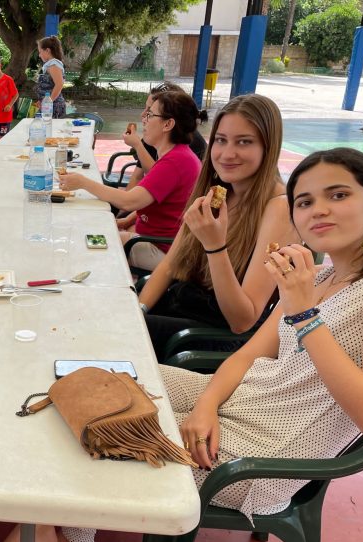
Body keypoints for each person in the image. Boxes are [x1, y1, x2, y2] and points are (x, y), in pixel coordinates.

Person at [0, 148, 363, 542]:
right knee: (90, 382)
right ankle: (68, 537)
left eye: (338, 195)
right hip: (239, 402)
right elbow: (248, 355)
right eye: (305, 201)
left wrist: (304, 316)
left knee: (110, 426)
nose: (318, 210)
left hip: (267, 452)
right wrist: (206, 406)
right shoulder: (317, 277)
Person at [138, 94, 298, 358]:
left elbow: (242, 320)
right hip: (181, 306)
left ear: (269, 147)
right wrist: (139, 309)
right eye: (221, 140)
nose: (227, 154)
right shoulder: (218, 192)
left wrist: (215, 246)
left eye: (244, 142)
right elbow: (169, 265)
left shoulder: (280, 208)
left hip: (213, 335)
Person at [59, 89, 204, 272]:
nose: (144, 119)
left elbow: (129, 201)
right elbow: (150, 199)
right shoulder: (178, 156)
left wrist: (83, 182)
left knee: (88, 239)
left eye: (150, 114)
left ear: (168, 124)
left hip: (161, 249)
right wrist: (126, 221)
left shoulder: (175, 162)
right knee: (95, 230)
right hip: (158, 242)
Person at [121, 82, 207, 195]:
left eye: (150, 112)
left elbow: (161, 177)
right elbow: (137, 177)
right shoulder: (153, 137)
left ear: (168, 122)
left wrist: (138, 145)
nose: (143, 115)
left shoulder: (188, 147)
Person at [36, 36, 66, 118]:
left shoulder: (53, 65)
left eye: (40, 52)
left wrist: (48, 102)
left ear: (47, 50)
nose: (39, 55)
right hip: (49, 106)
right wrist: (42, 101)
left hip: (53, 106)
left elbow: (59, 84)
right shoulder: (50, 65)